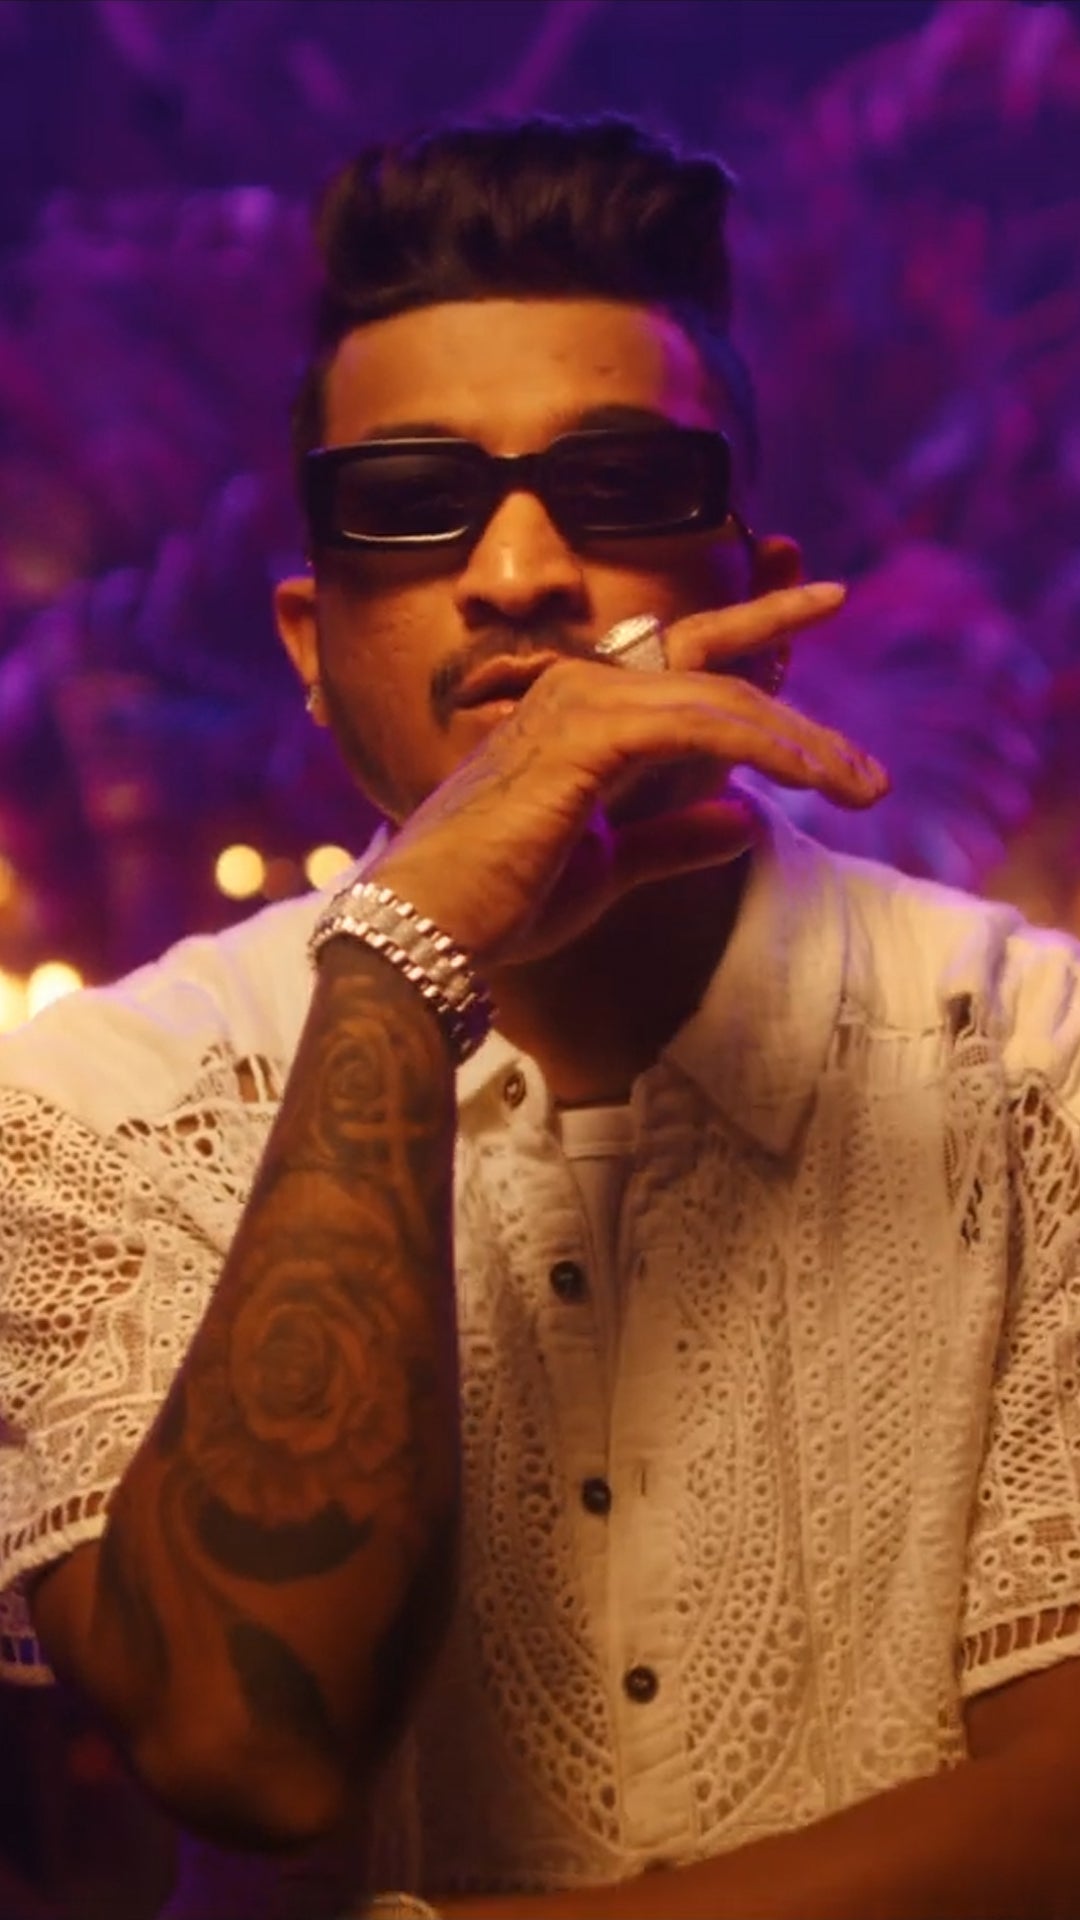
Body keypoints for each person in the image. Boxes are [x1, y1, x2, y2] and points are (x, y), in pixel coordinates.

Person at [2, 113, 1080, 1920]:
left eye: (623, 483)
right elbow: (245, 1752)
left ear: (760, 602)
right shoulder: (92, 1102)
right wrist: (402, 960)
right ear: (308, 643)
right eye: (406, 498)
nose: (516, 573)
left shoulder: (1039, 1063)